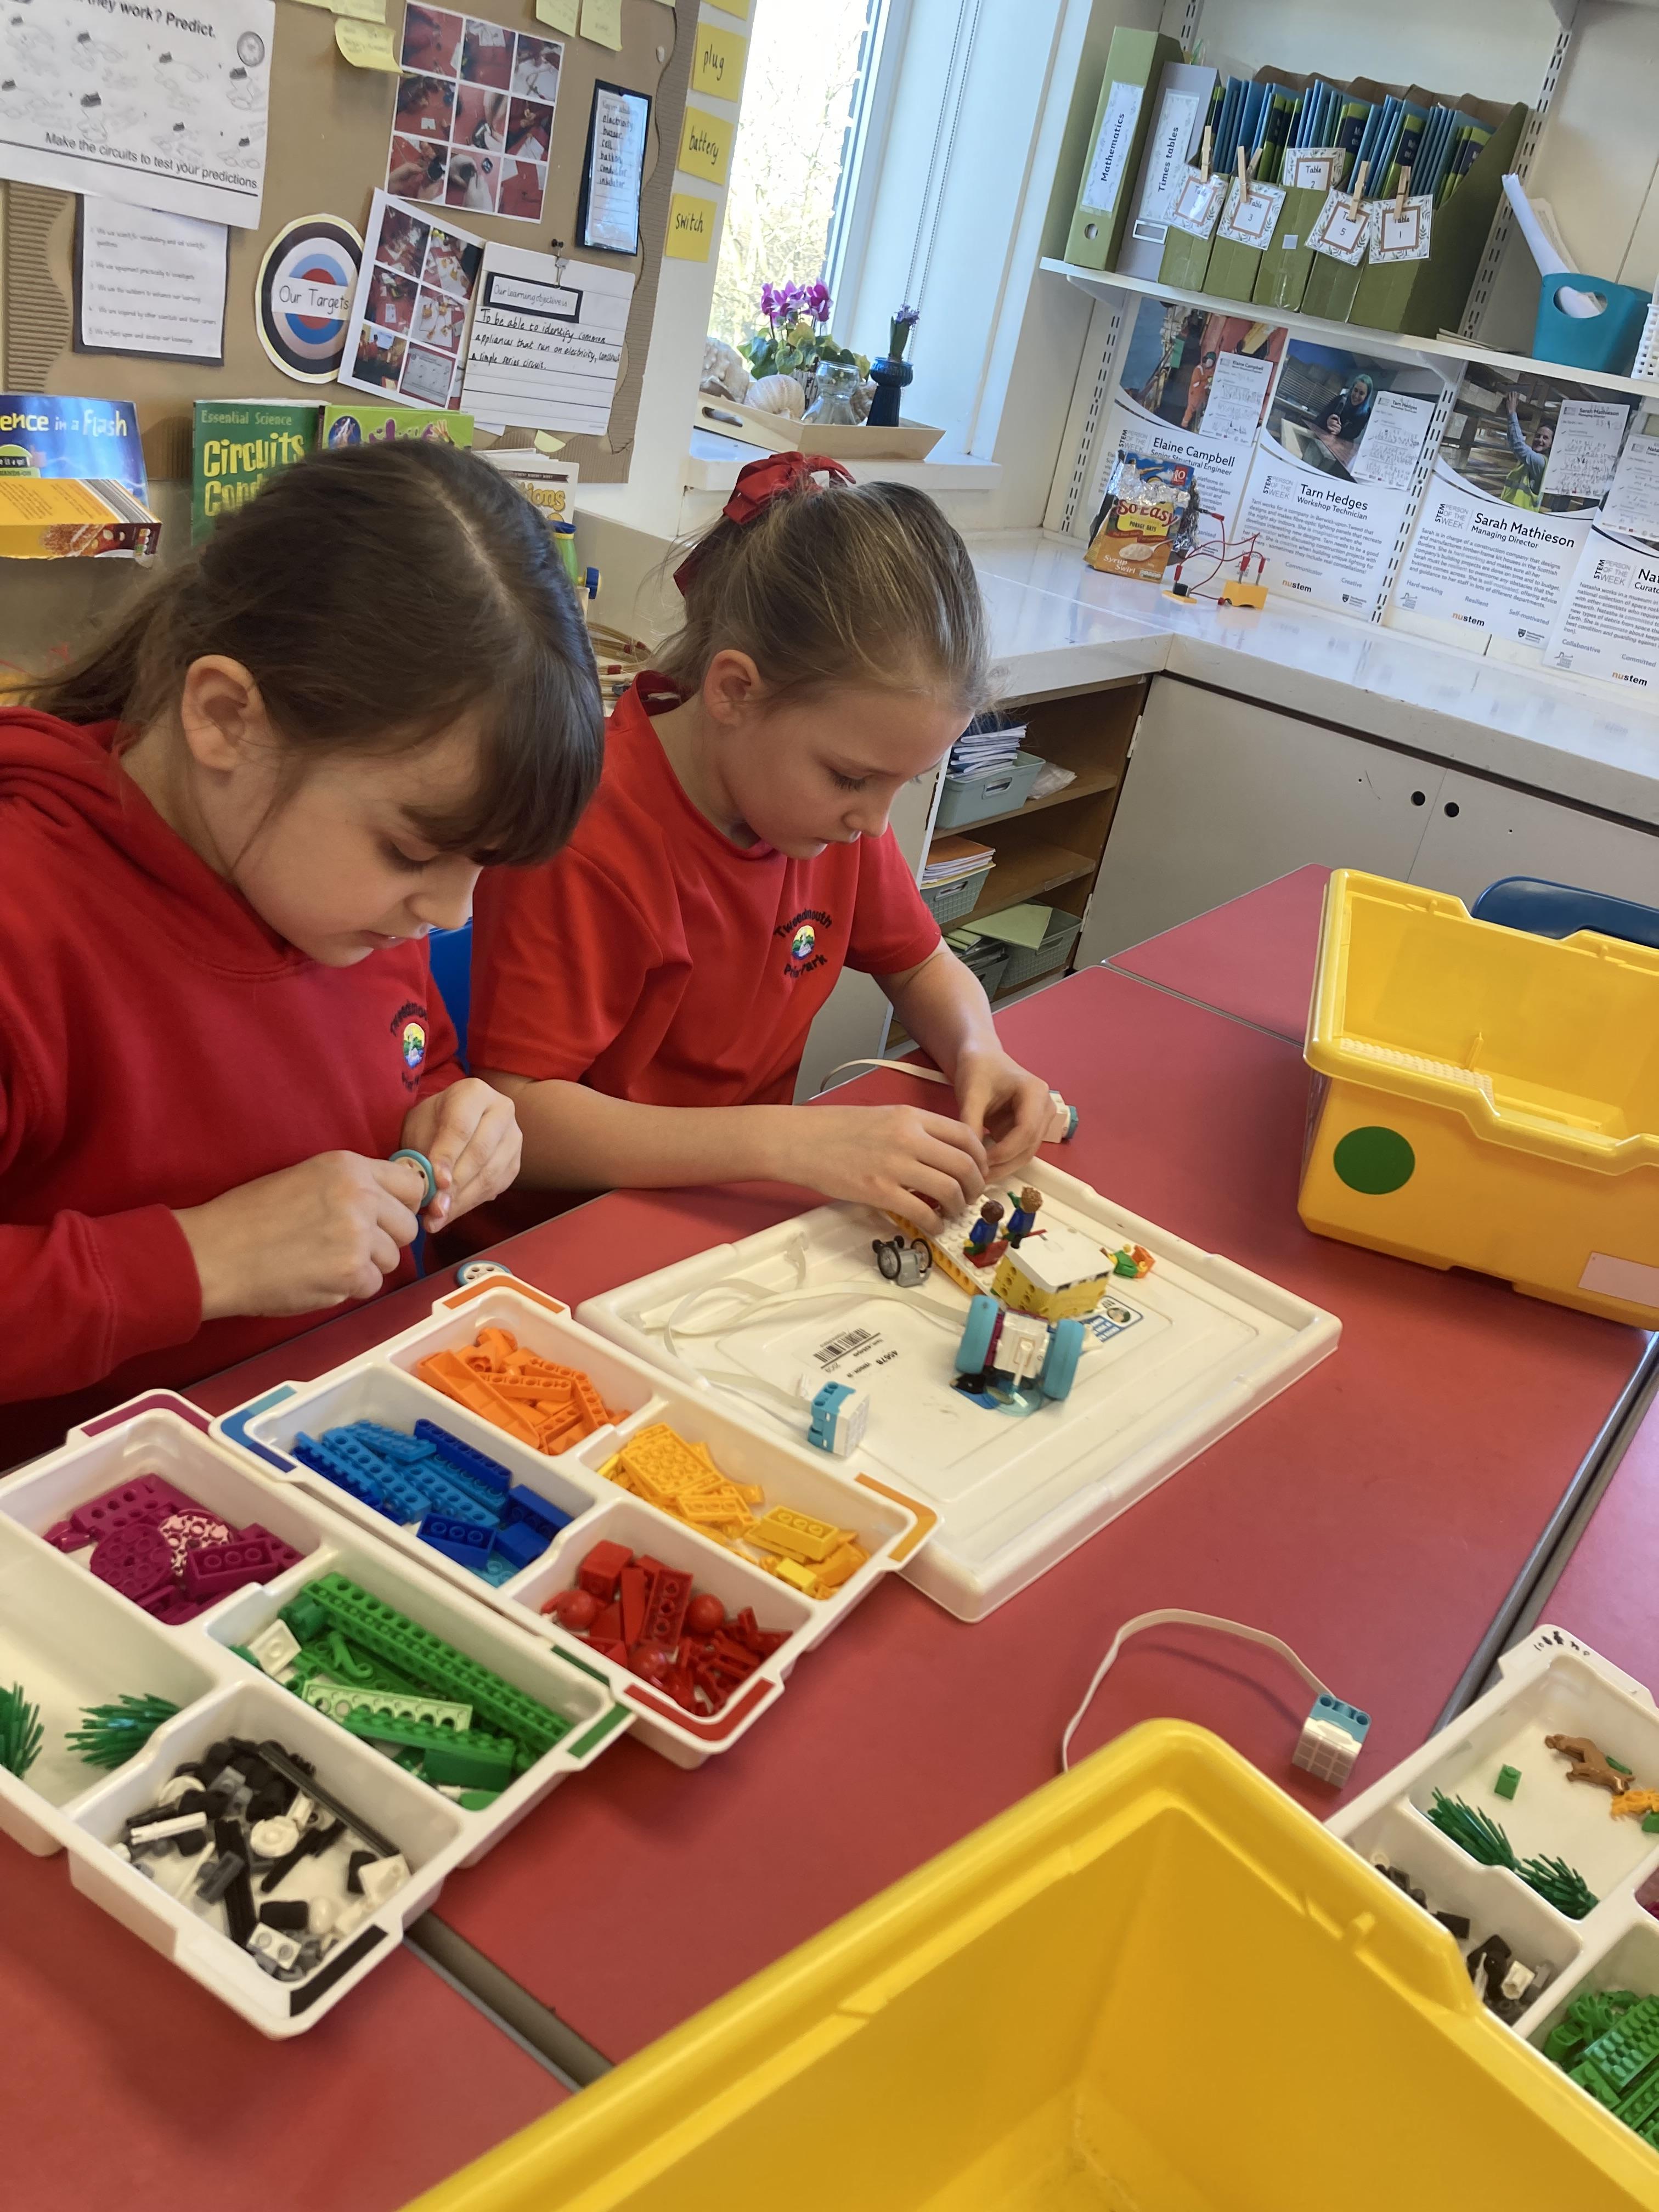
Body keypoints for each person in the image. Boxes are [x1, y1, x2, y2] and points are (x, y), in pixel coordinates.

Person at [0, 439, 603, 1464]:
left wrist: (459, 1117)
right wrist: (202, 1260)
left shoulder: (341, 901)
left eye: (482, 867)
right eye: (412, 851)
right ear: (225, 719)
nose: (453, 913)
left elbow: (408, 1064)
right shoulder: (29, 922)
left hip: (334, 1436)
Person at [470, 451, 1057, 1231]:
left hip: (736, 1208)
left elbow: (920, 964)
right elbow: (520, 1118)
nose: (875, 822)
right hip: (567, 1239)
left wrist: (979, 1050)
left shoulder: (830, 817)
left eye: (903, 784)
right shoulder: (585, 835)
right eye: (852, 778)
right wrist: (788, 1142)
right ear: (735, 692)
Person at [1502, 390, 1553, 508]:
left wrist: (1512, 413)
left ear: (1551, 444)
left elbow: (1519, 447)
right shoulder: (1527, 462)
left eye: (1546, 438)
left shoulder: (1541, 462)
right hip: (1509, 511)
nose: (1540, 440)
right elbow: (1515, 445)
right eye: (1538, 436)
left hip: (1520, 515)